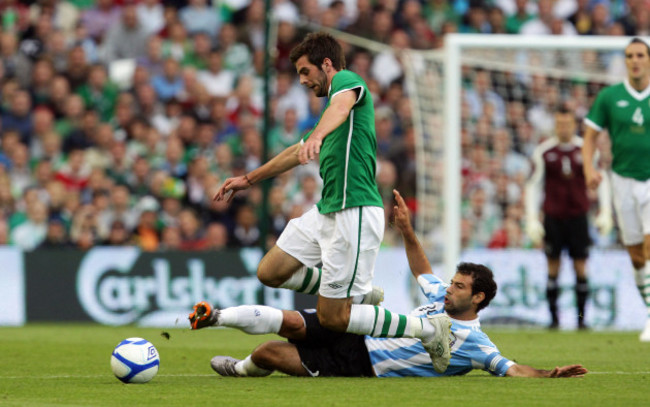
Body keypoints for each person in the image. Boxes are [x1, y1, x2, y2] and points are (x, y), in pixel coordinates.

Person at [213, 33, 451, 371]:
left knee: (334, 318)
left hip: (354, 211)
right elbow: (298, 151)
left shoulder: (348, 82)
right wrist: (248, 180)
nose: (303, 81)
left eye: (305, 71)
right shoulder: (330, 116)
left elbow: (338, 108)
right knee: (270, 271)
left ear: (327, 65)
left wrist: (319, 136)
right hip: (326, 212)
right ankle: (355, 295)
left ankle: (427, 329)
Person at [189, 189, 588, 379]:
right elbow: (422, 272)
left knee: (268, 353)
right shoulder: (439, 299)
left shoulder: (475, 342)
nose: (448, 289)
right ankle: (217, 315)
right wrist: (408, 232)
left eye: (460, 287)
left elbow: (509, 368)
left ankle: (240, 371)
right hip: (357, 326)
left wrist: (548, 375)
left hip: (363, 364)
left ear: (478, 298)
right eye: (452, 283)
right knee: (292, 322)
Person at [582, 38, 650, 342]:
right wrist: (588, 168)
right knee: (636, 256)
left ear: (648, 60)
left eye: (640, 55)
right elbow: (589, 136)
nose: (635, 60)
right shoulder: (610, 97)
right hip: (621, 180)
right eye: (629, 56)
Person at [525, 107, 612, 330]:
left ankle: (581, 321)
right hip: (553, 218)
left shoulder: (585, 150)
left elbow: (599, 180)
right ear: (555, 125)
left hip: (578, 218)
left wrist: (605, 211)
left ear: (574, 125)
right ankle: (553, 321)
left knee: (580, 268)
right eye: (559, 124)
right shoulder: (544, 151)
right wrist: (532, 218)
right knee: (553, 268)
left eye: (567, 123)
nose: (563, 128)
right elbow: (533, 185)